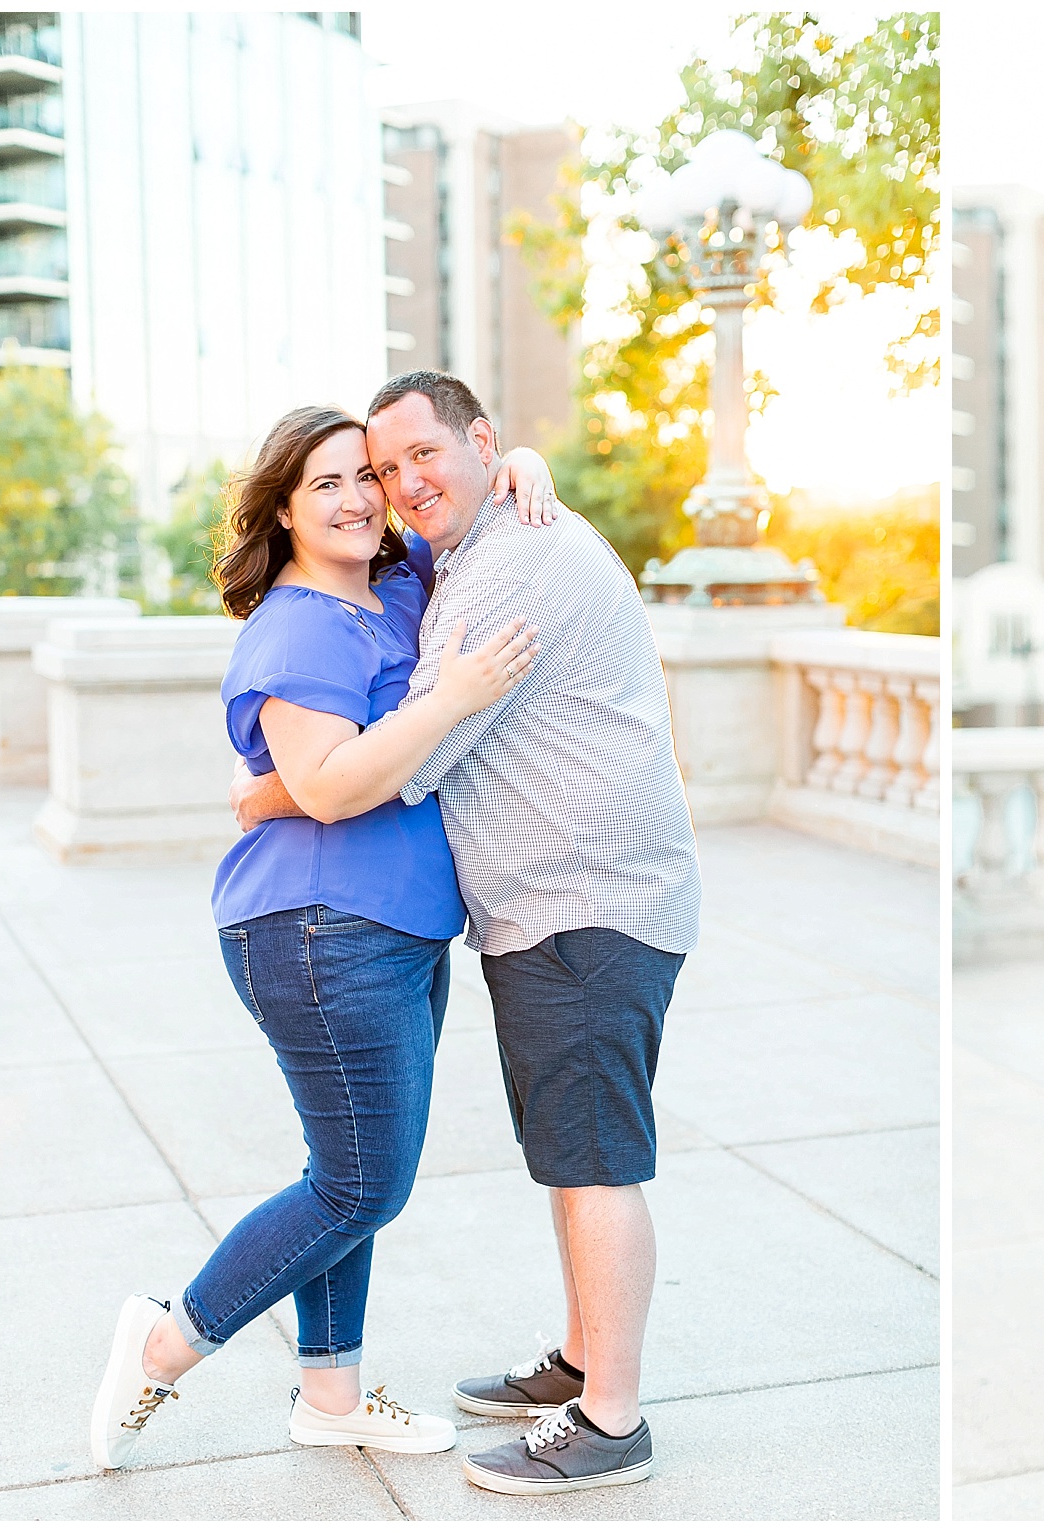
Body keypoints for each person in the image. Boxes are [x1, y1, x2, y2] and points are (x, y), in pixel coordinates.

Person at [234, 370, 700, 1497]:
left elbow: (406, 762)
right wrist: (509, 472)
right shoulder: (487, 539)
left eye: (420, 458)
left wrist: (269, 794)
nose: (400, 486)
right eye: (384, 471)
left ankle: (611, 1421)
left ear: (483, 441)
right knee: (567, 1155)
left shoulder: (511, 568)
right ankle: (582, 1360)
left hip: (583, 900)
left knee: (593, 1165)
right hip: (553, 907)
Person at [90, 405, 554, 1470]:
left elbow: (474, 505)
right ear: (284, 512)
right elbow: (332, 786)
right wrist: (456, 698)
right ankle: (161, 1347)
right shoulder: (294, 625)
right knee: (359, 1185)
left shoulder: (395, 589)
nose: (354, 500)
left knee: (344, 1172)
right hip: (315, 930)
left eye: (364, 477)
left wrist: (514, 459)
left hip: (394, 931)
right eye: (324, 486)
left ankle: (330, 1393)